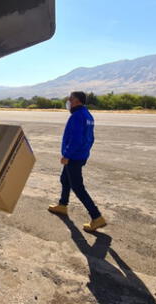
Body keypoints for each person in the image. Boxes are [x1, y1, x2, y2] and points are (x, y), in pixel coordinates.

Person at [48, 91, 107, 233]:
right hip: (80, 155)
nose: (68, 101)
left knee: (78, 187)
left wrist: (67, 155)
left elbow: (75, 139)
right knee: (64, 179)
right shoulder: (88, 115)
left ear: (78, 101)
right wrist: (84, 153)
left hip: (73, 156)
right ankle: (62, 205)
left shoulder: (76, 116)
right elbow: (91, 138)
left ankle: (96, 216)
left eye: (71, 99)